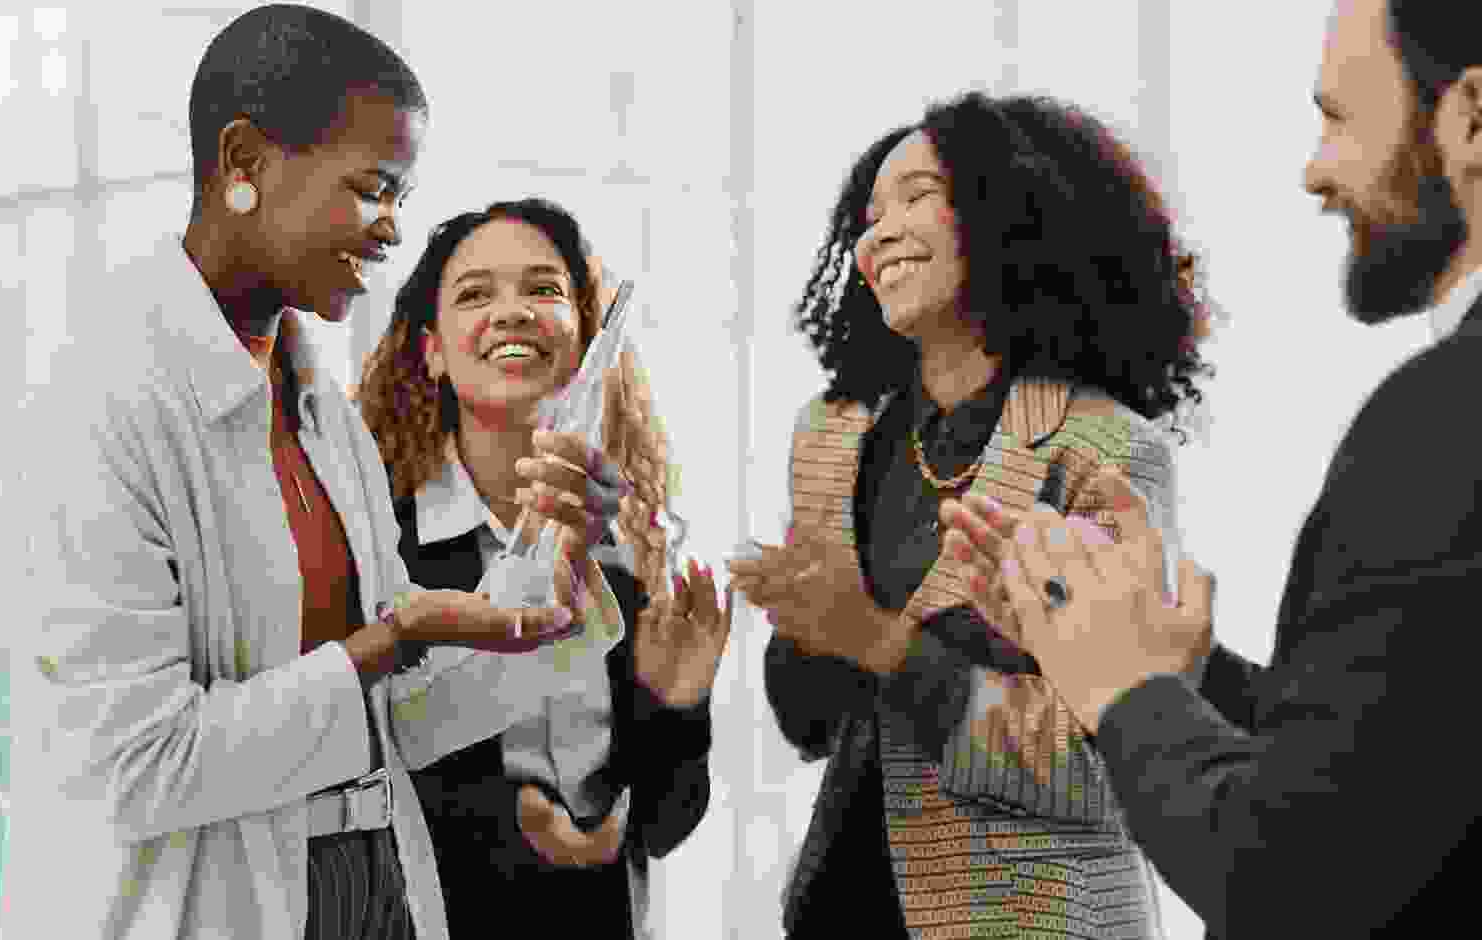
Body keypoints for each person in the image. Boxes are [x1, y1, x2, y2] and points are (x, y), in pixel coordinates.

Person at [17, 7, 628, 939]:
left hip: (370, 888)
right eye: (372, 189)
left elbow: (390, 720)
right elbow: (137, 762)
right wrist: (386, 645)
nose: (392, 230)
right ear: (245, 161)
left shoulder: (322, 414)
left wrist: (553, 577)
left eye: (401, 197)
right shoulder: (104, 397)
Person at [939, 1, 1482, 936]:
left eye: (1339, 118)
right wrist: (1190, 674)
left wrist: (1119, 682)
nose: (1315, 170)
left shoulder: (1442, 417)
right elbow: (1399, 776)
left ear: (1472, 118)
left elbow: (1296, 877)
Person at [728, 90, 1238, 939]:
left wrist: (888, 647)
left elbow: (1109, 769)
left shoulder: (1104, 447)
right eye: (868, 217)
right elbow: (811, 724)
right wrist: (805, 637)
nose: (878, 235)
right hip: (842, 909)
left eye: (917, 196)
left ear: (1007, 213)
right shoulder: (830, 435)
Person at [355, 198, 726, 938]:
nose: (512, 311)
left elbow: (669, 819)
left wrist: (677, 710)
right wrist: (510, 819)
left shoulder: (631, 547)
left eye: (543, 289)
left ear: (587, 337)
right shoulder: (379, 543)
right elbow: (364, 765)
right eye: (475, 294)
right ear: (432, 351)